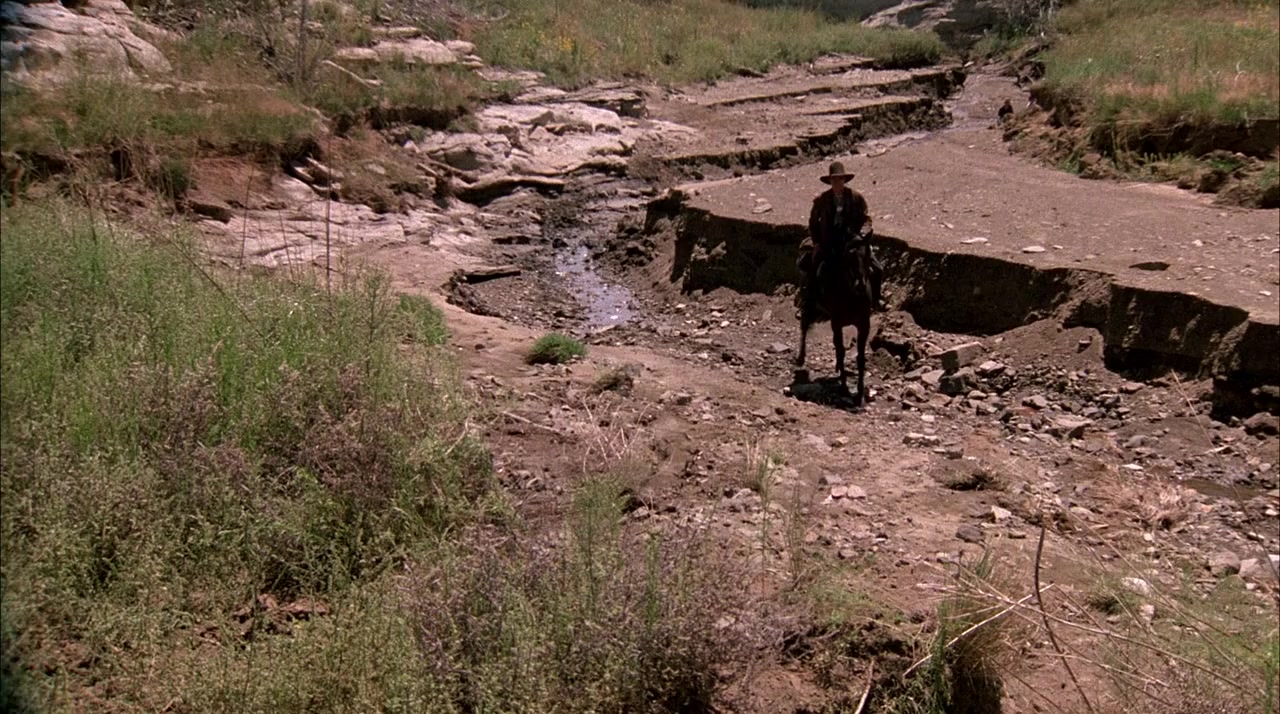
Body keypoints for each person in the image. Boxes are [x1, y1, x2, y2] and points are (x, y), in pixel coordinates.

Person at [798, 161, 885, 316]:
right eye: (834, 179)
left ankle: (877, 299)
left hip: (851, 241)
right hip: (828, 242)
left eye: (840, 179)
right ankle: (806, 303)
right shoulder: (821, 200)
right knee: (812, 266)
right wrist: (817, 242)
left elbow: (866, 219)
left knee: (877, 268)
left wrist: (861, 236)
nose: (837, 182)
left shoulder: (856, 198)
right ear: (830, 181)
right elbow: (813, 223)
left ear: (844, 180)